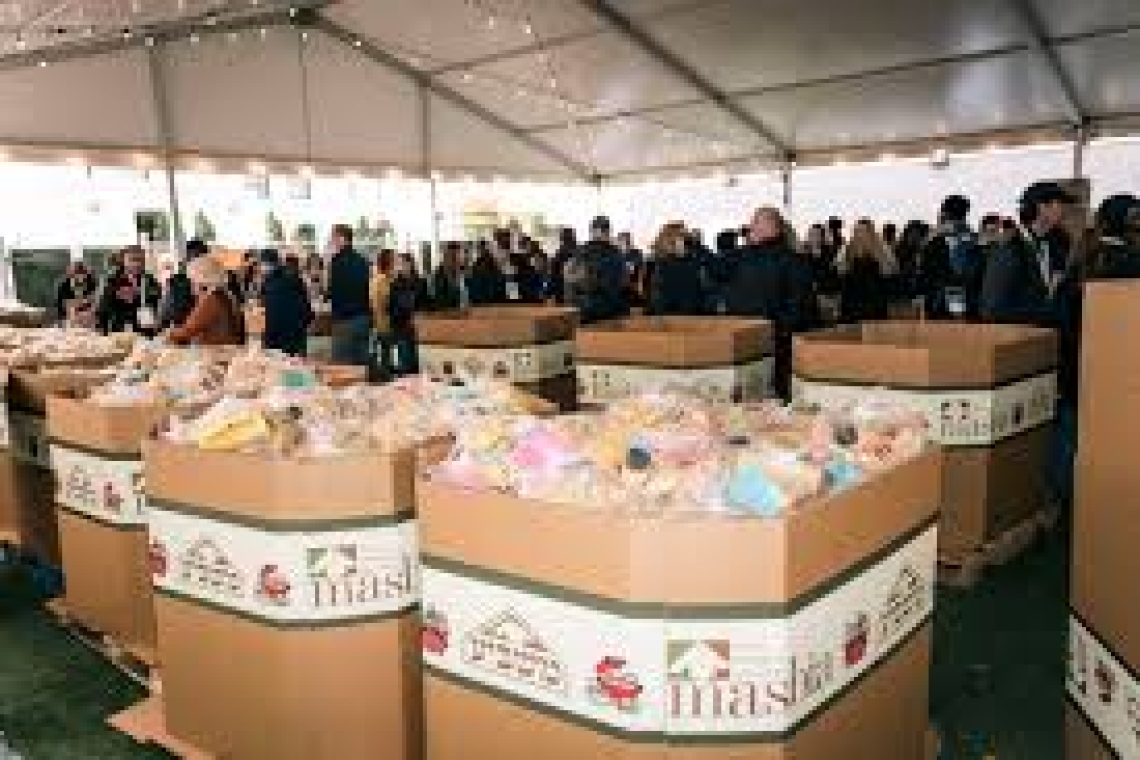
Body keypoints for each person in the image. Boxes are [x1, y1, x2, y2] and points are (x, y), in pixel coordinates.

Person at [724, 206, 818, 400]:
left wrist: (779, 332)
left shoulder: (790, 260)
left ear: (771, 227)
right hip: (752, 341)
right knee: (755, 397)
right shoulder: (746, 256)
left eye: (756, 222)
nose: (750, 227)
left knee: (775, 396)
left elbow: (800, 304)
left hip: (776, 343)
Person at [980, 182, 1073, 326]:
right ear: (1042, 207)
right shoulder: (1009, 249)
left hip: (1051, 337)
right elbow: (992, 310)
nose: (1065, 210)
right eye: (1061, 204)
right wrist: (1048, 311)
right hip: (1020, 338)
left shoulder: (1058, 245)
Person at [921, 195, 984, 319]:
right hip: (971, 300)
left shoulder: (935, 240)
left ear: (945, 213)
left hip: (943, 302)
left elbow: (927, 274)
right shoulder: (975, 238)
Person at [564, 216, 629, 324]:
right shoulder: (614, 254)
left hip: (581, 309)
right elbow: (621, 283)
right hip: (608, 310)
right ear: (607, 232)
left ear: (592, 232)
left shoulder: (579, 252)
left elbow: (569, 280)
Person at [167, 257, 245, 346]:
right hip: (228, 350)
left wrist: (167, 334)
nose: (191, 283)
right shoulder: (226, 293)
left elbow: (186, 331)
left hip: (215, 353)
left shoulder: (210, 300)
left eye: (192, 279)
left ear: (201, 279)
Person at [326, 224, 373, 366]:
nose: (331, 241)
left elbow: (333, 291)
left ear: (342, 238)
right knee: (362, 368)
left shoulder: (336, 262)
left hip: (345, 321)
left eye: (333, 237)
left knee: (341, 369)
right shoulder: (363, 260)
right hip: (363, 319)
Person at [838, 219, 895, 323]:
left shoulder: (882, 249)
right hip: (851, 302)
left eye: (864, 231)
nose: (860, 235)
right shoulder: (847, 249)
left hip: (874, 302)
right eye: (858, 231)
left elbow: (889, 273)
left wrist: (879, 257)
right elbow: (840, 272)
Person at [259, 248, 313, 357]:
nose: (260, 268)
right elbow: (307, 309)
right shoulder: (295, 277)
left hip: (279, 340)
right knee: (296, 369)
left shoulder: (270, 283)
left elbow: (273, 316)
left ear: (266, 264)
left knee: (278, 370)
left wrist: (267, 341)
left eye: (261, 264)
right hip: (298, 337)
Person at [98, 246, 162, 336]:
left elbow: (158, 303)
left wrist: (138, 294)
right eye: (132, 260)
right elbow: (102, 309)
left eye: (140, 260)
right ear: (124, 261)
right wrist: (103, 333)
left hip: (145, 332)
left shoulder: (151, 280)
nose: (137, 264)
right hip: (118, 332)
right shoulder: (112, 280)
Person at [646, 222, 706, 316]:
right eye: (683, 238)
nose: (686, 241)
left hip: (683, 313)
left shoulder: (692, 260)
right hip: (671, 313)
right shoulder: (658, 262)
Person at [160, 238, 208, 330]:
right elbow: (166, 314)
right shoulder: (175, 282)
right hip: (183, 332)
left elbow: (165, 315)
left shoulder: (212, 284)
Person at [893, 220, 930, 302]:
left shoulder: (922, 251)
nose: (923, 239)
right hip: (906, 293)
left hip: (915, 293)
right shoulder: (901, 250)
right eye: (922, 235)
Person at [55, 262, 98, 327]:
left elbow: (95, 302)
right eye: (76, 278)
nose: (80, 280)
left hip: (88, 317)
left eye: (83, 278)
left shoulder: (91, 282)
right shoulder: (63, 286)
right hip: (69, 318)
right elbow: (61, 308)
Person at [467, 239, 507, 305]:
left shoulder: (500, 269)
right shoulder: (473, 269)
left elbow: (510, 294)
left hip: (497, 304)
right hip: (480, 304)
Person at [432, 241, 467, 310]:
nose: (458, 261)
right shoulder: (438, 278)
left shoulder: (464, 274)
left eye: (459, 258)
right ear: (445, 258)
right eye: (453, 258)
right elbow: (439, 303)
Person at [547, 227, 578, 303]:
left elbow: (553, 277)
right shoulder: (580, 252)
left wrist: (548, 293)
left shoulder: (559, 255)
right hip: (577, 294)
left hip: (562, 292)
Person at [617, 232, 645, 307]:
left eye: (627, 241)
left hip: (633, 286)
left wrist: (640, 285)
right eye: (622, 240)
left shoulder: (636, 253)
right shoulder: (615, 254)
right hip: (620, 288)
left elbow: (640, 270)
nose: (625, 243)